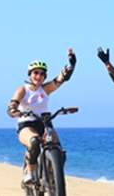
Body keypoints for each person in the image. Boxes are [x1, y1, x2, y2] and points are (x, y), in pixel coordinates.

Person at [7, 49, 77, 184]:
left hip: (45, 123)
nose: (38, 76)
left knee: (59, 151)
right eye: (35, 73)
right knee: (34, 142)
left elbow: (62, 78)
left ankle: (54, 178)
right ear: (30, 74)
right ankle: (30, 172)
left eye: (42, 74)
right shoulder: (23, 90)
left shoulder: (45, 89)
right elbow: (12, 106)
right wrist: (15, 111)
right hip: (26, 124)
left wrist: (72, 64)